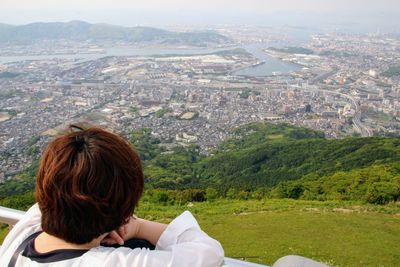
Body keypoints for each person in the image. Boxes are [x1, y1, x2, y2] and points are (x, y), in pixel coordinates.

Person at [0, 125, 224, 267]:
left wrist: (111, 218)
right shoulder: (110, 263)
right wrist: (136, 227)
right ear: (126, 210)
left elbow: (58, 196)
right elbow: (208, 252)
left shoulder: (23, 233)